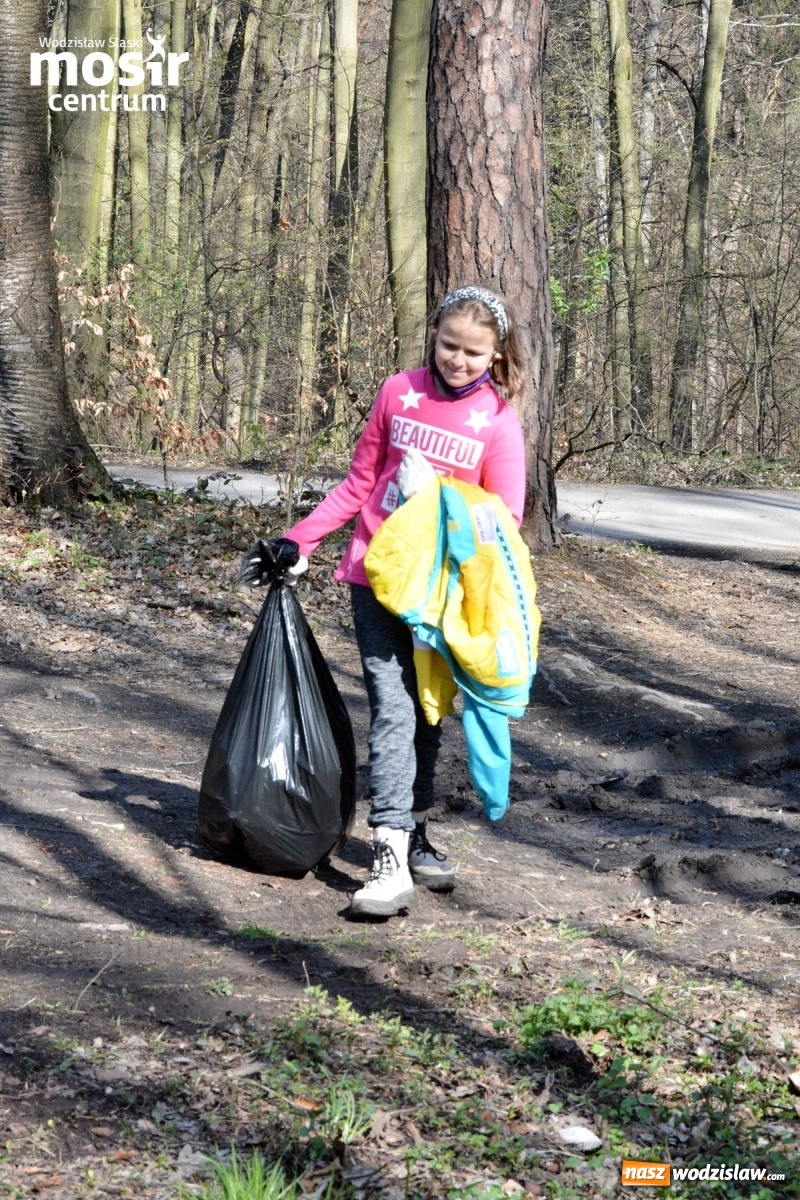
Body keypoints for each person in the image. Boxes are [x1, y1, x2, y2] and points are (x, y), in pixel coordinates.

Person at [284, 285, 527, 917]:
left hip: (442, 599)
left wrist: (443, 502)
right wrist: (297, 539)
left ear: (496, 354)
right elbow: (359, 484)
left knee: (425, 714)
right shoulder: (399, 392)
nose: (459, 361)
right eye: (449, 345)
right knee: (392, 709)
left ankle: (413, 827)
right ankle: (387, 852)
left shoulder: (498, 423)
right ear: (434, 338)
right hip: (374, 578)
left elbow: (506, 521)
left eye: (475, 353)